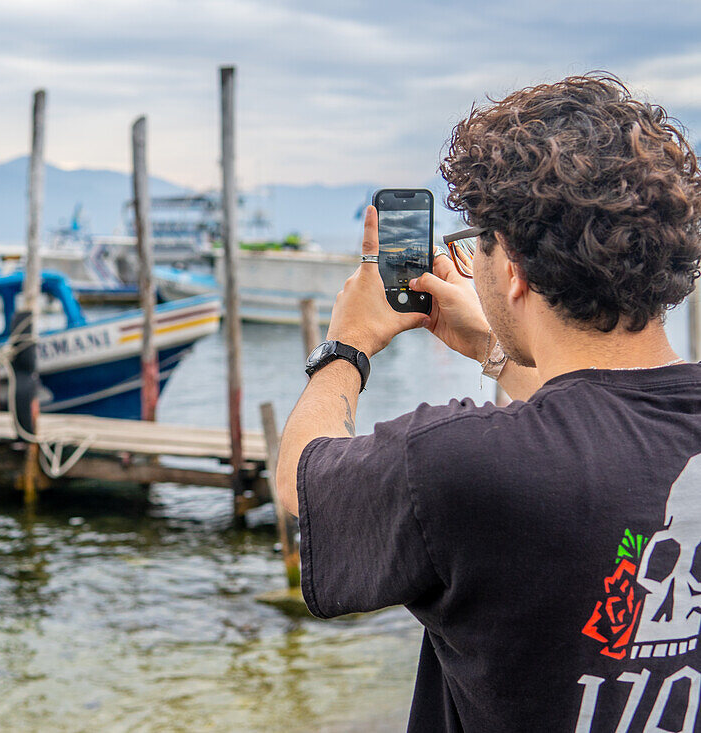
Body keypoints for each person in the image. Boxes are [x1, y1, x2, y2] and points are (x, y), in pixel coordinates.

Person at [277, 74, 701, 732]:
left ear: (512, 267)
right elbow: (602, 430)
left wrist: (346, 346)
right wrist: (490, 344)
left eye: (478, 240)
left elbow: (302, 478)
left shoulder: (454, 464)